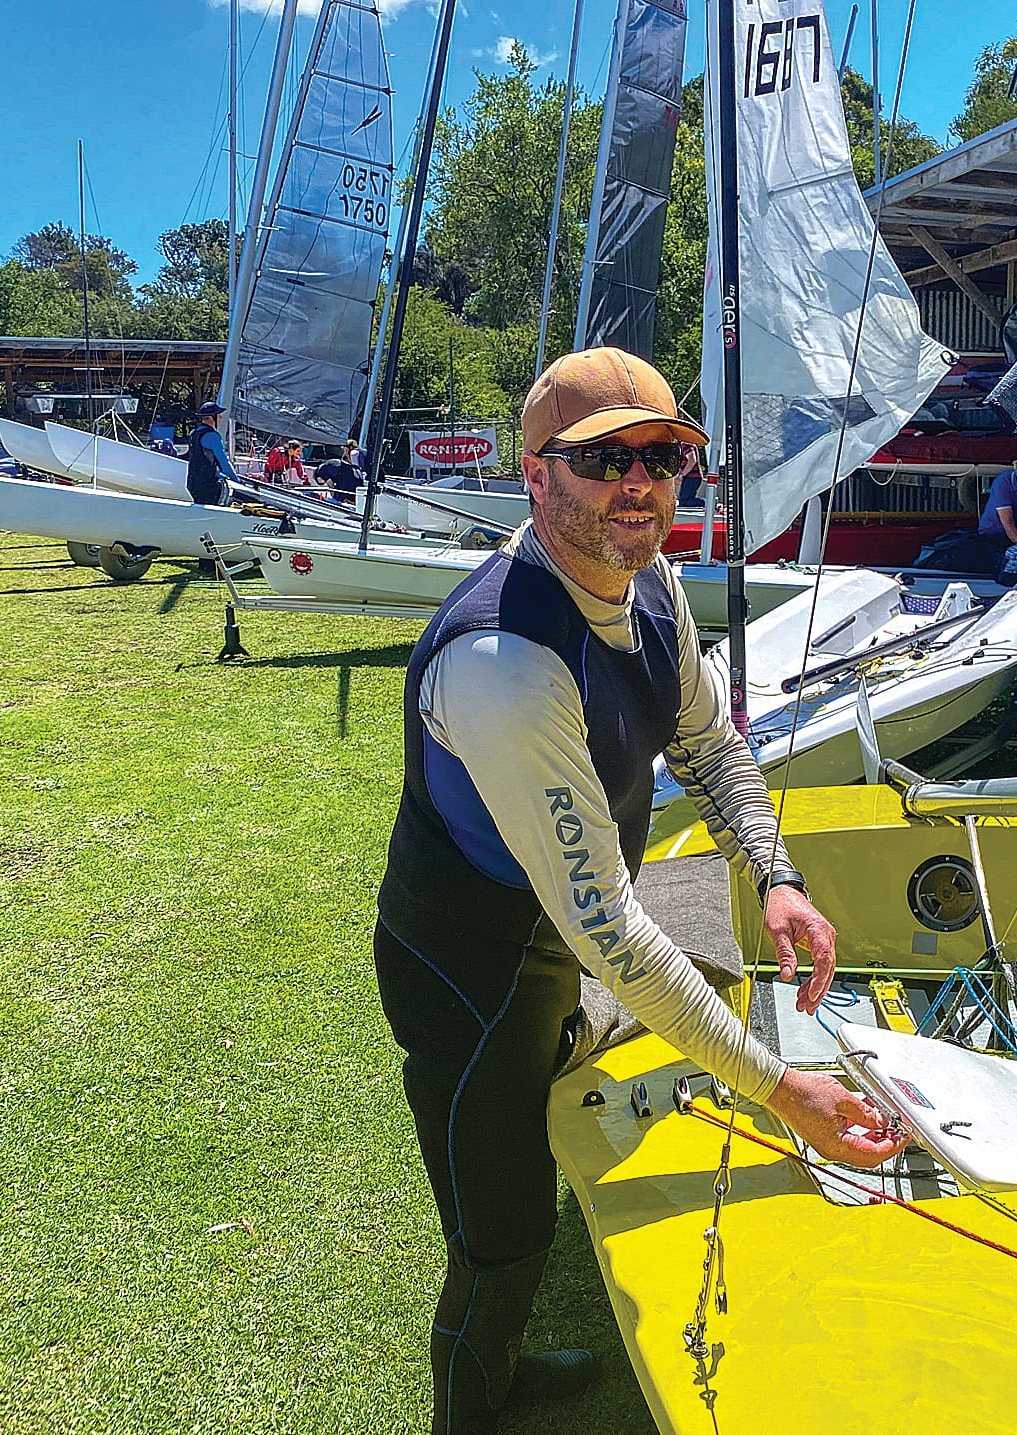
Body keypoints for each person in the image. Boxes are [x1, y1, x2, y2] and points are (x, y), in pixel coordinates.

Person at [374, 347, 906, 1435]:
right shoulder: (501, 661)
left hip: (556, 926)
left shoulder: (652, 582)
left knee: (546, 1142)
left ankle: (502, 1366)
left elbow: (711, 748)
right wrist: (777, 1088)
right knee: (501, 1221)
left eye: (662, 454)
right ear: (534, 475)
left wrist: (775, 878)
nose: (638, 482)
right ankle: (472, 1407)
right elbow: (615, 931)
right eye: (602, 457)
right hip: (466, 957)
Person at [184, 401, 241, 506]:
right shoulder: (212, 436)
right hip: (207, 486)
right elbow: (224, 463)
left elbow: (201, 461)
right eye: (219, 416)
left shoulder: (194, 433)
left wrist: (219, 475)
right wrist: (237, 481)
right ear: (212, 417)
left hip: (192, 483)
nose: (221, 418)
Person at [313, 441, 360, 506]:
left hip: (343, 477)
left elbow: (329, 484)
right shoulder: (328, 465)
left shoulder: (322, 471)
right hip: (351, 477)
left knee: (338, 496)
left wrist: (332, 490)